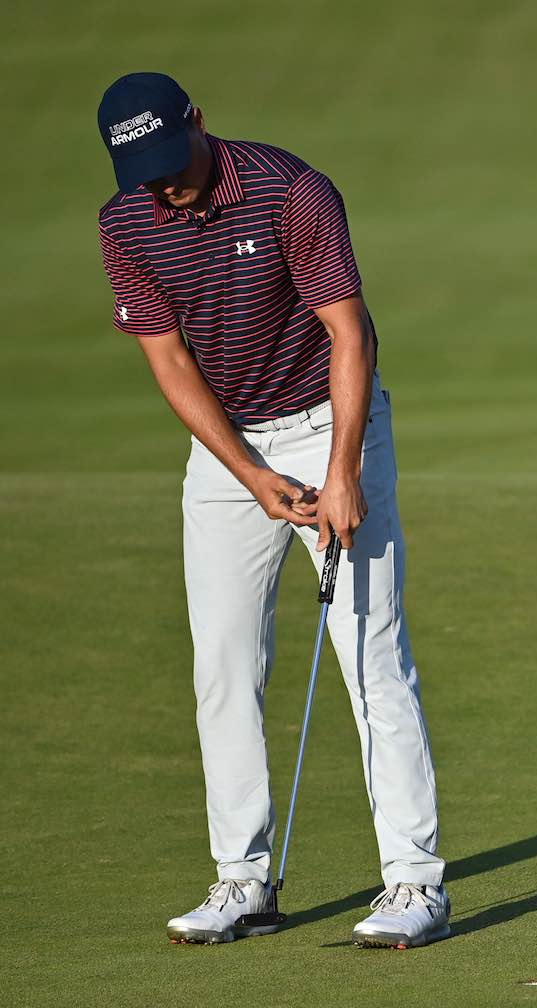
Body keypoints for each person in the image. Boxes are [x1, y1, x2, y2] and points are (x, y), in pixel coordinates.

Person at [95, 72, 450, 948]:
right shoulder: (126, 222)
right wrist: (250, 474)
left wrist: (342, 471)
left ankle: (415, 884)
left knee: (371, 659)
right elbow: (170, 361)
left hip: (332, 422)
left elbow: (351, 334)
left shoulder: (291, 192)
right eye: (144, 173)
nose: (164, 186)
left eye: (171, 162)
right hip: (231, 450)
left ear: (198, 123)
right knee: (222, 665)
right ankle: (242, 881)